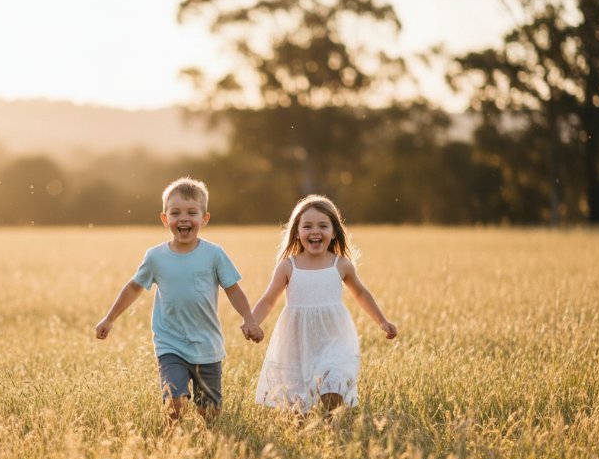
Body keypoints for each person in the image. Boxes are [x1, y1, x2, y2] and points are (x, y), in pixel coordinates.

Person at [95, 177, 263, 422]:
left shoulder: (214, 254)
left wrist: (249, 318)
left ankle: (209, 446)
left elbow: (233, 290)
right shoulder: (155, 257)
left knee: (210, 413)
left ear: (204, 219)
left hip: (207, 345)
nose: (183, 218)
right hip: (170, 343)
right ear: (165, 219)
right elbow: (133, 288)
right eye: (175, 213)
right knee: (174, 399)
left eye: (191, 212)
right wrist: (109, 318)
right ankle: (174, 439)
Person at [251, 195, 397, 415]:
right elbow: (269, 299)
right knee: (297, 402)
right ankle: (303, 432)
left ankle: (331, 427)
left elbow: (361, 293)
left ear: (334, 231)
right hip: (297, 340)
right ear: (297, 233)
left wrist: (382, 320)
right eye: (307, 226)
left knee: (334, 385)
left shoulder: (341, 265)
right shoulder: (288, 266)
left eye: (322, 225)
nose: (315, 231)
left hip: (333, 338)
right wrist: (253, 322)